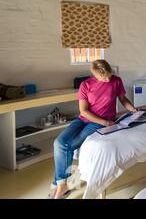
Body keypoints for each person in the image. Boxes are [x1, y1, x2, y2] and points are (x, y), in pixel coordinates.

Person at [48, 60, 137, 199]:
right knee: (59, 142)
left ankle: (60, 185)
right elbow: (83, 111)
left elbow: (123, 99)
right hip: (85, 120)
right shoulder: (86, 85)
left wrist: (133, 109)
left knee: (68, 146)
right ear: (95, 75)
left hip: (98, 124)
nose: (108, 79)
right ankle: (61, 185)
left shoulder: (116, 81)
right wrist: (106, 122)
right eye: (104, 77)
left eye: (109, 75)